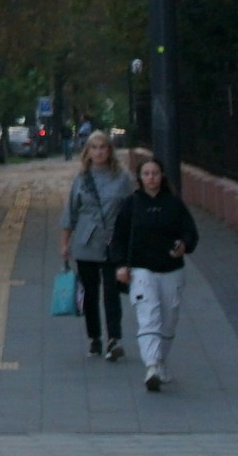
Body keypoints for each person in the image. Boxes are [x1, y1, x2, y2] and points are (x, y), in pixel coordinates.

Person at [117, 150, 199, 392]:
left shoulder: (174, 204)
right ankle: (151, 365)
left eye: (155, 173)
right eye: (146, 174)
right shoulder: (131, 204)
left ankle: (161, 360)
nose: (151, 178)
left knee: (169, 319)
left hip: (171, 269)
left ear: (162, 176)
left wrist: (183, 245)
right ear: (139, 178)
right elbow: (119, 237)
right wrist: (121, 265)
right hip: (142, 271)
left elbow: (190, 232)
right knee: (148, 315)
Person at [61, 127, 134, 363]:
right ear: (88, 152)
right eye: (94, 147)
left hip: (113, 242)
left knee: (112, 292)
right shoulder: (81, 179)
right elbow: (70, 212)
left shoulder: (122, 178)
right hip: (86, 241)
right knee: (90, 294)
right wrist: (65, 243)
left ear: (110, 150)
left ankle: (115, 339)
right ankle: (95, 337)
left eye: (103, 147)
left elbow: (131, 212)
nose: (99, 151)